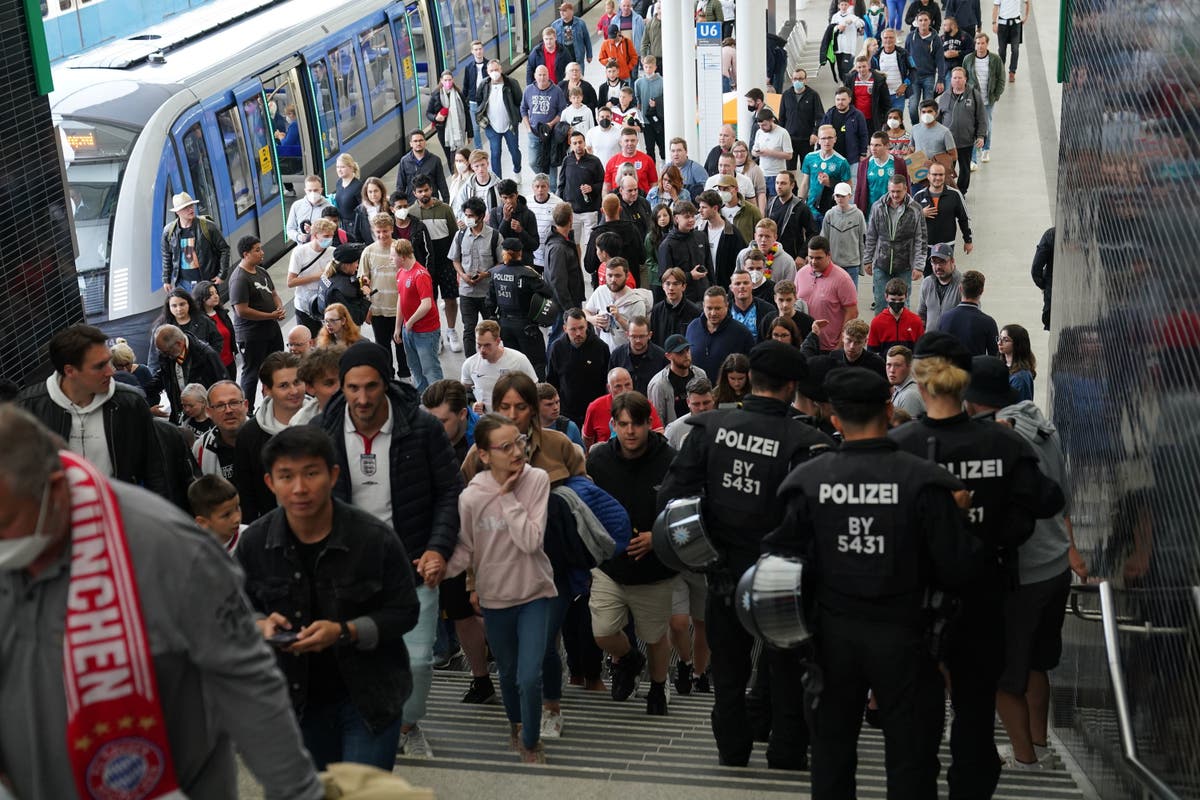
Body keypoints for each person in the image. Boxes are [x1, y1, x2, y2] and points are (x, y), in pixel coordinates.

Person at [0, 405, 325, 800]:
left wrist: (297, 791)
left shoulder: (170, 549)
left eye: (3, 523)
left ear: (52, 489)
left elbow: (246, 682)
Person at [763, 367, 974, 799]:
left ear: (835, 419)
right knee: (912, 760)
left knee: (830, 757)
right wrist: (961, 518)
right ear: (887, 409)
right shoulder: (924, 481)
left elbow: (779, 565)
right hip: (908, 637)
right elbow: (958, 568)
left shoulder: (808, 481)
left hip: (830, 639)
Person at [890, 332, 1064, 800]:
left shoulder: (900, 445)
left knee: (917, 714)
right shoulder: (1003, 442)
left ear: (922, 386)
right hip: (986, 592)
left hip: (916, 600)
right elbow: (1047, 500)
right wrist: (996, 529)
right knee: (975, 711)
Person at [658, 341, 832, 768]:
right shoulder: (809, 440)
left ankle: (732, 751)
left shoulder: (709, 428)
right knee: (786, 667)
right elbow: (815, 520)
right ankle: (787, 752)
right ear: (792, 386)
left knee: (729, 672)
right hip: (783, 576)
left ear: (750, 379)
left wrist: (707, 555)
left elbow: (672, 498)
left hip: (722, 569)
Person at [238, 425, 420, 771]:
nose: (300, 488)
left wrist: (345, 631)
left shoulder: (373, 538)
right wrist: (259, 623)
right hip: (294, 703)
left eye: (311, 473)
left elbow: (404, 611)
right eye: (286, 476)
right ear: (269, 483)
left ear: (333, 475)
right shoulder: (255, 543)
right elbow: (233, 610)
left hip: (369, 700)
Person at [319, 341, 465, 759]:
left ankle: (408, 723)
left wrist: (438, 548)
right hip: (348, 569)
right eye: (352, 388)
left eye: (370, 387)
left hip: (412, 561)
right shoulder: (323, 432)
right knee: (351, 658)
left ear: (386, 383)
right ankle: (367, 729)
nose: (362, 398)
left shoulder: (421, 427)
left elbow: (449, 491)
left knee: (417, 661)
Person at [447, 412, 555, 762]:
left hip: (536, 593)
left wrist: (508, 498)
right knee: (507, 673)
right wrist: (436, 570)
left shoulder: (537, 480)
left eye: (520, 442)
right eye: (506, 447)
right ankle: (516, 724)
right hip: (495, 600)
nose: (517, 452)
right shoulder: (472, 497)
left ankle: (532, 740)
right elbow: (465, 549)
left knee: (529, 676)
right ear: (483, 455)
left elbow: (531, 542)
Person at [992, 379, 1085, 770]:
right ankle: (1040, 745)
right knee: (1037, 663)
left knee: (1005, 668)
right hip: (1055, 562)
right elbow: (1062, 495)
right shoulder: (1046, 430)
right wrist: (1072, 551)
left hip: (1026, 567)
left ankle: (1025, 757)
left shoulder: (1004, 435)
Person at [586, 392, 677, 714]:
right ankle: (628, 658)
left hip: (654, 569)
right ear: (613, 425)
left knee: (655, 636)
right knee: (603, 631)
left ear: (649, 424)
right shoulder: (597, 460)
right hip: (610, 566)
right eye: (623, 424)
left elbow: (687, 511)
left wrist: (659, 536)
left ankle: (657, 686)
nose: (630, 431)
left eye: (637, 424)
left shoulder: (670, 460)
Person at [17, 324, 165, 495]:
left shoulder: (131, 403)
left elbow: (156, 471)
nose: (110, 371)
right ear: (70, 371)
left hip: (119, 513)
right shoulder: (30, 408)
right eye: (99, 366)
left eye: (108, 362)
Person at [233, 352, 321, 523]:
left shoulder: (323, 421)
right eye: (284, 386)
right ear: (267, 390)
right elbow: (246, 494)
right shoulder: (249, 435)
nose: (294, 391)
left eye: (297, 382)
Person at [228, 235, 285, 409]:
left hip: (271, 330)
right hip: (252, 335)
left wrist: (279, 308)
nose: (262, 252)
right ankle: (248, 409)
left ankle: (277, 401)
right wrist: (271, 316)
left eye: (260, 248)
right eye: (257, 250)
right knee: (252, 373)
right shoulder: (239, 279)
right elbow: (242, 310)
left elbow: (274, 293)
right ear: (246, 254)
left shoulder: (261, 271)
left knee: (277, 366)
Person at [450, 197, 506, 358]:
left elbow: (502, 263)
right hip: (466, 292)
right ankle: (471, 363)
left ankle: (494, 358)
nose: (468, 219)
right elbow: (455, 260)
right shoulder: (460, 235)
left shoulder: (494, 236)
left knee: (492, 330)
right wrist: (462, 275)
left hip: (487, 293)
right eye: (466, 215)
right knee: (469, 329)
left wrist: (486, 274)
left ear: (481, 216)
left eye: (471, 215)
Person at [864, 174, 926, 311]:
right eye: (892, 191)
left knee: (903, 306)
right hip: (881, 264)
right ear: (888, 189)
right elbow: (871, 235)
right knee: (880, 303)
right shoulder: (877, 207)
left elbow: (920, 238)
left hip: (905, 266)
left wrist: (919, 266)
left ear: (905, 189)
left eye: (898, 191)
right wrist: (867, 260)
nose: (895, 195)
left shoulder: (915, 209)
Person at [389, 238, 443, 394]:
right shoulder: (401, 272)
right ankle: (421, 396)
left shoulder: (420, 275)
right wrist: (398, 326)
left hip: (425, 331)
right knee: (415, 367)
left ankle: (439, 398)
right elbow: (401, 299)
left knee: (430, 369)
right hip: (409, 329)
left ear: (403, 257)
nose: (390, 259)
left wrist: (410, 322)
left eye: (393, 256)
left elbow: (427, 304)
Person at [151, 324, 226, 425]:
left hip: (205, 418)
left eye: (166, 352)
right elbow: (163, 376)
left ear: (179, 344)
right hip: (180, 414)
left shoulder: (207, 356)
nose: (164, 355)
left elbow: (222, 388)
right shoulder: (167, 353)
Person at [795, 236, 859, 353]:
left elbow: (852, 312)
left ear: (829, 255)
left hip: (829, 348)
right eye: (811, 257)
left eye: (818, 258)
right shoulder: (801, 274)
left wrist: (840, 345)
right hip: (804, 345)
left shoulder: (842, 279)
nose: (813, 262)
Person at [546, 309, 611, 425]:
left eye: (581, 328)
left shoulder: (601, 348)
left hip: (595, 411)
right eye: (573, 329)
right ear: (565, 329)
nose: (578, 333)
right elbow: (552, 381)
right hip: (567, 413)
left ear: (587, 325)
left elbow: (607, 381)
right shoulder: (557, 348)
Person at [461, 320, 539, 412]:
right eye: (479, 345)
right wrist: (473, 404)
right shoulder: (470, 364)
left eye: (487, 345)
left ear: (498, 341)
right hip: (486, 421)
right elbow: (465, 392)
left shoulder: (519, 360)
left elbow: (534, 389)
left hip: (513, 419)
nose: (482, 350)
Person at [161, 191, 230, 293]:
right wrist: (166, 279)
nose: (190, 209)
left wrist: (222, 274)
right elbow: (166, 255)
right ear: (177, 212)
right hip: (182, 283)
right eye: (185, 207)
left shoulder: (208, 227)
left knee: (209, 308)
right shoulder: (169, 231)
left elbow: (224, 249)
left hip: (205, 282)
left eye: (191, 205)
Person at [581, 367, 665, 449]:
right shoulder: (595, 407)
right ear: (609, 388)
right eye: (618, 386)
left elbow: (659, 434)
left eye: (627, 384)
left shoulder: (643, 404)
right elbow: (587, 440)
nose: (624, 390)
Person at [935, 66, 988, 194]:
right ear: (951, 80)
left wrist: (981, 136)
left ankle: (961, 192)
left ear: (965, 79)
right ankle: (950, 191)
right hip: (948, 143)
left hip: (966, 140)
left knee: (965, 169)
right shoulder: (944, 97)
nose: (957, 80)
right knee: (948, 169)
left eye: (960, 77)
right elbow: (938, 119)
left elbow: (981, 117)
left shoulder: (974, 95)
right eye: (954, 78)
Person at [912, 162, 973, 272]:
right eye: (934, 174)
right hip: (926, 246)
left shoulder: (954, 195)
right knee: (928, 277)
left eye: (941, 175)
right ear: (928, 176)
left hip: (947, 245)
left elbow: (963, 218)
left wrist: (968, 240)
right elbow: (908, 221)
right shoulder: (918, 196)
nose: (938, 178)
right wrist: (920, 214)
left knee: (945, 275)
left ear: (945, 176)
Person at [147, 288, 224, 373]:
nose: (179, 309)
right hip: (174, 374)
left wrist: (209, 360)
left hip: (202, 372)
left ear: (189, 303)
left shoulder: (203, 321)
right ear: (168, 307)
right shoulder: (161, 329)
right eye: (174, 306)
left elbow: (217, 341)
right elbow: (154, 359)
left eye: (182, 304)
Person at [685, 286, 756, 379]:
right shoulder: (692, 327)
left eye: (718, 308)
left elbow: (751, 368)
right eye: (709, 308)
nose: (713, 313)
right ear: (703, 306)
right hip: (695, 390)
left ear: (727, 306)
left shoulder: (742, 333)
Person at [584, 258, 651, 352]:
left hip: (625, 353)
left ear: (627, 276)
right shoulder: (600, 291)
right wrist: (593, 319)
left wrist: (619, 318)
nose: (613, 280)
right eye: (610, 275)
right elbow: (586, 311)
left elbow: (639, 332)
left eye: (618, 276)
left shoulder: (636, 302)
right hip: (604, 350)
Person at [963, 32, 1006, 168]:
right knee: (972, 128)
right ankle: (973, 159)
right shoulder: (968, 59)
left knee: (986, 125)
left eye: (983, 43)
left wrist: (997, 94)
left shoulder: (995, 59)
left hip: (988, 100)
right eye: (978, 43)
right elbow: (964, 77)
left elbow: (1001, 78)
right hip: (972, 99)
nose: (980, 46)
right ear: (974, 44)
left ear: (987, 44)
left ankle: (986, 149)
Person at [288, 217, 337, 335]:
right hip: (304, 307)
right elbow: (290, 282)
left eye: (331, 236)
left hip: (326, 306)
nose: (329, 239)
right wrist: (318, 276)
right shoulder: (299, 252)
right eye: (326, 236)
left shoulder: (333, 252)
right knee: (309, 342)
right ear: (314, 236)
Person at [522, 65, 568, 188]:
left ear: (548, 75)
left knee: (551, 163)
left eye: (544, 75)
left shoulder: (557, 91)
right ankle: (544, 179)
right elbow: (523, 109)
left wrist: (551, 123)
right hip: (534, 133)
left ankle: (552, 189)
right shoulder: (528, 90)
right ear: (535, 76)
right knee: (532, 162)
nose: (542, 78)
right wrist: (528, 128)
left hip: (551, 134)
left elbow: (562, 111)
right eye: (540, 75)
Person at [646, 333, 708, 425]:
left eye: (687, 350)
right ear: (668, 356)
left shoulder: (700, 374)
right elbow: (657, 420)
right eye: (680, 352)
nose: (686, 355)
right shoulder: (659, 384)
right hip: (673, 435)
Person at [476, 61, 524, 177]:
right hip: (492, 126)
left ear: (501, 69)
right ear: (487, 72)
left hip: (510, 125)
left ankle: (517, 170)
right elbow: (479, 100)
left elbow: (519, 100)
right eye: (491, 71)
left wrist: (516, 117)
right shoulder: (484, 85)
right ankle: (498, 180)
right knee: (495, 153)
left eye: (496, 70)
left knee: (514, 151)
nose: (494, 73)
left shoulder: (511, 83)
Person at [193, 379, 249, 480]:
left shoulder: (266, 437)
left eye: (234, 402)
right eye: (220, 406)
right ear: (209, 412)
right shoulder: (200, 449)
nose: (228, 410)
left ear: (245, 406)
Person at [657, 202, 712, 304]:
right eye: (687, 217)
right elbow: (664, 278)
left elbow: (709, 267)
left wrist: (713, 290)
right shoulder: (667, 245)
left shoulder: (701, 236)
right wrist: (690, 276)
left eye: (692, 216)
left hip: (704, 294)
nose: (691, 220)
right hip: (683, 299)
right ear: (676, 219)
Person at [560, 130, 605, 251]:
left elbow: (603, 183)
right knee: (573, 245)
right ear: (571, 144)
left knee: (591, 244)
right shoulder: (567, 161)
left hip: (590, 211)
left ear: (584, 143)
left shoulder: (595, 161)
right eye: (575, 143)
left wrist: (592, 188)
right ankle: (577, 269)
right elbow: (561, 184)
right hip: (572, 212)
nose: (578, 145)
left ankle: (591, 269)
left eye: (580, 142)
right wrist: (562, 205)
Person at [935, 268, 998, 355]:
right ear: (982, 291)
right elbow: (994, 356)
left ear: (960, 288)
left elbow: (938, 351)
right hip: (975, 367)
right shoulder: (988, 322)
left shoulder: (944, 318)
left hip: (950, 367)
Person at [799, 125, 853, 223]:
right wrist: (800, 205)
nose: (827, 141)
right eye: (823, 138)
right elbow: (805, 183)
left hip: (832, 209)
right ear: (818, 140)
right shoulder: (809, 157)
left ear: (835, 139)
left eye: (830, 138)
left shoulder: (842, 161)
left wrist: (830, 183)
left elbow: (848, 187)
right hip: (811, 208)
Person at [803, 317, 887, 378]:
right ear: (843, 338)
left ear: (865, 342)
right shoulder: (834, 357)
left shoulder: (876, 363)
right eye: (849, 340)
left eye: (858, 342)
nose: (852, 346)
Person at [821, 182, 867, 289]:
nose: (840, 198)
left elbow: (862, 240)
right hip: (833, 264)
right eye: (837, 196)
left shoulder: (858, 215)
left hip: (852, 264)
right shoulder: (829, 215)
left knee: (851, 295)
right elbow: (824, 239)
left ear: (849, 196)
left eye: (843, 196)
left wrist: (861, 265)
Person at [904, 10, 946, 125]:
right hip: (914, 78)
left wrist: (940, 80)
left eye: (925, 20)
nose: (923, 23)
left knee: (928, 108)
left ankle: (927, 127)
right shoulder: (910, 37)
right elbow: (905, 56)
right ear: (917, 22)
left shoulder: (936, 39)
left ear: (930, 22)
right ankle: (917, 128)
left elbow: (940, 61)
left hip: (929, 77)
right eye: (920, 20)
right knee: (913, 108)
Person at [778, 68, 824, 170]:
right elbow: (781, 118)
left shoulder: (813, 95)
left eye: (800, 79)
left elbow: (820, 117)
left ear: (805, 80)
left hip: (807, 140)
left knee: (808, 169)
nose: (797, 81)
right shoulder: (786, 95)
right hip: (789, 140)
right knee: (790, 170)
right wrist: (780, 136)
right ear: (792, 80)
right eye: (795, 79)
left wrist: (815, 133)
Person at [488, 180, 541, 266]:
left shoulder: (529, 214)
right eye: (505, 198)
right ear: (500, 197)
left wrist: (521, 231)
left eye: (511, 197)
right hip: (503, 264)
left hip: (524, 264)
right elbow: (494, 243)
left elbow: (534, 245)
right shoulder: (494, 213)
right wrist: (505, 220)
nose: (509, 201)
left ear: (517, 194)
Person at [855, 131, 910, 213]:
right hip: (871, 212)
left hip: (892, 212)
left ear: (887, 145)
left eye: (877, 145)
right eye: (871, 144)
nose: (873, 148)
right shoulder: (864, 164)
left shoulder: (898, 163)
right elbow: (859, 189)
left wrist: (908, 209)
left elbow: (906, 188)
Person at [610, 316, 667, 394]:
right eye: (634, 336)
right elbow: (610, 384)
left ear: (650, 335)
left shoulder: (661, 357)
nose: (638, 340)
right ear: (627, 335)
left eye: (642, 336)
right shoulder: (617, 355)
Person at [193, 281, 238, 380]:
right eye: (210, 294)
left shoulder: (222, 313)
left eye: (216, 293)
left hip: (230, 362)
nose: (215, 296)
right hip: (213, 368)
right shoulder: (199, 321)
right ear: (201, 298)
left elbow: (230, 334)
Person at [869, 277, 926, 352]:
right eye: (893, 299)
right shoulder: (877, 322)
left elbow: (921, 350)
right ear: (886, 297)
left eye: (900, 299)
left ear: (906, 296)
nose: (896, 302)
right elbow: (872, 351)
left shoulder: (916, 321)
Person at [188, 472, 242, 551]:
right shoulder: (190, 549)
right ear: (202, 522)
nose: (237, 518)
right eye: (226, 515)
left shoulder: (251, 537)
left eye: (237, 508)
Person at [917, 242, 964, 331]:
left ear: (952, 261)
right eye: (934, 262)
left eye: (942, 262)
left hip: (953, 342)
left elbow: (971, 316)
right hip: (930, 342)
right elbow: (921, 315)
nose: (938, 266)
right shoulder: (927, 283)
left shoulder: (963, 284)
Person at [651, 267, 703, 346]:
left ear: (683, 286)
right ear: (663, 286)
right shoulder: (657, 310)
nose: (671, 288)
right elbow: (654, 340)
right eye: (668, 284)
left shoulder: (695, 312)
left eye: (676, 284)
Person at [766, 171, 813, 258]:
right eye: (777, 183)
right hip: (771, 254)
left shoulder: (801, 207)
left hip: (793, 256)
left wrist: (802, 255)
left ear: (792, 185)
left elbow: (812, 233)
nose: (779, 186)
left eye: (783, 183)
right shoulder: (770, 203)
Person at [397, 130, 450, 202]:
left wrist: (446, 202)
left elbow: (442, 183)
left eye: (421, 140)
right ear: (411, 144)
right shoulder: (404, 161)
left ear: (425, 142)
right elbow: (400, 186)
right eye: (415, 141)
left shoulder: (435, 160)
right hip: (412, 204)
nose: (418, 143)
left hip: (432, 203)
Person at [428, 71, 473, 158]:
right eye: (445, 80)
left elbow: (466, 114)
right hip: (444, 133)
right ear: (441, 80)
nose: (447, 82)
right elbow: (428, 113)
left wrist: (470, 133)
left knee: (460, 157)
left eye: (449, 80)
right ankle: (453, 171)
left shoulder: (459, 94)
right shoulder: (436, 95)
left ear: (453, 80)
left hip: (459, 130)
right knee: (450, 158)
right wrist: (436, 118)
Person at [843, 54, 891, 132]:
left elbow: (886, 102)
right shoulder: (850, 79)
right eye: (859, 67)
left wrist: (885, 120)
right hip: (855, 118)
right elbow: (845, 98)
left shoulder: (879, 80)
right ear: (856, 68)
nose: (862, 69)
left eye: (864, 66)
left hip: (873, 119)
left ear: (868, 66)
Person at [821, 87, 870, 163]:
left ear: (849, 99)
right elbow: (821, 134)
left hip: (852, 159)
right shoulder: (829, 114)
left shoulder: (858, 115)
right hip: (832, 158)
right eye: (838, 99)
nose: (840, 102)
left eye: (843, 99)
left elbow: (863, 135)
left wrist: (863, 154)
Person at [604, 127, 657, 194]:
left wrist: (650, 202)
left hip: (642, 201)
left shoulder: (647, 160)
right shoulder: (612, 161)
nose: (630, 143)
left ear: (637, 141)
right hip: (619, 202)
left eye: (632, 140)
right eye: (626, 141)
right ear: (620, 142)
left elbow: (654, 184)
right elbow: (606, 186)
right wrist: (606, 203)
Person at [728, 269, 776, 342]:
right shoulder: (724, 310)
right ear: (731, 288)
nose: (742, 286)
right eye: (737, 284)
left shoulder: (768, 310)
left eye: (746, 283)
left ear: (752, 285)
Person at [872, 28, 913, 112]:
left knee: (896, 122)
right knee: (884, 122)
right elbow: (872, 74)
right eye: (886, 38)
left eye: (891, 37)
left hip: (898, 95)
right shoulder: (876, 56)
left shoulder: (904, 53)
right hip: (882, 96)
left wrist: (905, 85)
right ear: (882, 39)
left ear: (895, 39)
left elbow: (914, 70)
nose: (888, 40)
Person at [992, 0, 1030, 84]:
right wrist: (994, 23)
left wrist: (1026, 16)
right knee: (1001, 50)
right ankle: (1001, 71)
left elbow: (1027, 2)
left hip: (1015, 24)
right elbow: (995, 7)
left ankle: (1012, 72)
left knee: (1015, 49)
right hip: (1002, 24)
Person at [299, 346, 347, 412]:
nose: (340, 389)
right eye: (330, 383)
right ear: (310, 388)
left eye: (344, 380)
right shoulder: (301, 420)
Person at [287, 175, 333, 245]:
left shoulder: (329, 208)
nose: (313, 193)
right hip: (302, 249)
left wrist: (314, 233)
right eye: (309, 190)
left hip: (321, 248)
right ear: (305, 190)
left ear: (321, 190)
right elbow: (290, 229)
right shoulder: (296, 206)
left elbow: (332, 231)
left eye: (315, 190)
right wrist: (299, 237)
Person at [536, 382, 585, 447]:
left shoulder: (570, 427)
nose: (555, 408)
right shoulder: (525, 428)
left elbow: (581, 455)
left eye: (557, 402)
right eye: (549, 404)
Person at [462, 41, 490, 150]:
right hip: (473, 102)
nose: (478, 52)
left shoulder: (489, 65)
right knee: (475, 128)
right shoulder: (469, 67)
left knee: (489, 126)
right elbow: (466, 86)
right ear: (472, 52)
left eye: (480, 49)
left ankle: (493, 145)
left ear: (483, 49)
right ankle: (479, 150)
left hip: (487, 102)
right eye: (476, 49)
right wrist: (464, 102)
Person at [998, 323, 1036, 401]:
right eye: (999, 338)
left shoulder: (1020, 377)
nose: (999, 343)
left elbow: (1018, 408)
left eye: (1005, 340)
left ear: (1017, 344)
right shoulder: (1002, 366)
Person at [830, 0, 866, 81]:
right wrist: (838, 27)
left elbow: (862, 23)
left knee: (846, 67)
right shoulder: (835, 16)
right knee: (840, 67)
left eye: (845, 5)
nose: (843, 7)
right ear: (839, 6)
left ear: (848, 6)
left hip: (849, 47)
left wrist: (853, 21)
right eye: (842, 5)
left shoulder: (852, 16)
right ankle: (843, 81)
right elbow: (831, 29)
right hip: (838, 47)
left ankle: (847, 84)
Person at [885, 344, 925, 416]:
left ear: (909, 367)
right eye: (889, 365)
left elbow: (908, 427)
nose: (892, 370)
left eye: (897, 365)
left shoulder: (910, 395)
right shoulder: (900, 388)